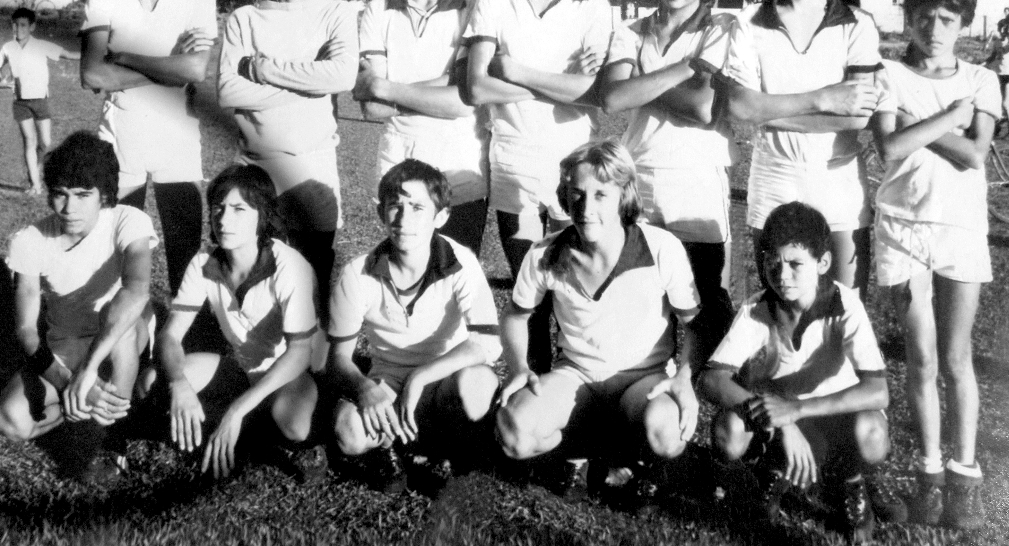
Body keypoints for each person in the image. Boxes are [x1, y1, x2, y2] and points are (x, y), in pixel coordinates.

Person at [496, 140, 701, 500]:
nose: (586, 208)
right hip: (578, 376)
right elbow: (515, 316)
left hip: (643, 379)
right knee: (513, 432)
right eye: (577, 194)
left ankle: (623, 456)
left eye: (600, 195)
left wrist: (683, 378)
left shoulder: (660, 247)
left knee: (667, 432)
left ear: (624, 194)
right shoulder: (545, 252)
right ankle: (585, 454)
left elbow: (696, 325)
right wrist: (516, 367)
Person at [870, 0, 998, 530]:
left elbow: (975, 156)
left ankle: (964, 476)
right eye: (924, 17)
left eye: (947, 18)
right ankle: (929, 477)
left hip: (960, 228)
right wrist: (946, 116)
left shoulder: (981, 79)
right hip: (901, 226)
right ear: (909, 19)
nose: (935, 28)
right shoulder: (888, 75)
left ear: (964, 22)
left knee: (955, 358)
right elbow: (890, 150)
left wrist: (920, 125)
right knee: (919, 360)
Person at [462, 0, 613, 372]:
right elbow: (479, 85)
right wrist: (562, 86)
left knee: (575, 295)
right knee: (531, 293)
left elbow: (598, 94)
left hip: (575, 169)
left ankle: (576, 401)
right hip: (514, 164)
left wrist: (519, 73)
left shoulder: (594, 5)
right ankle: (532, 390)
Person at [716, 0, 882, 299]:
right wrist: (825, 98)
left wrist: (768, 110)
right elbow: (740, 108)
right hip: (774, 173)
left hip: (838, 174)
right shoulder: (748, 23)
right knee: (778, 302)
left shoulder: (858, 24)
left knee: (844, 304)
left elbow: (858, 117)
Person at [700, 202, 894, 543]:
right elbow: (712, 379)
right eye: (772, 261)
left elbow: (878, 392)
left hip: (835, 415)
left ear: (823, 263)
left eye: (795, 264)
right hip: (780, 419)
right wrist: (783, 420)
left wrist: (799, 409)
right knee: (728, 432)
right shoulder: (757, 309)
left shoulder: (844, 305)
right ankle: (767, 475)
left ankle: (851, 480)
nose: (782, 274)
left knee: (873, 432)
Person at [600, 0, 735, 361]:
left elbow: (702, 107)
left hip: (696, 178)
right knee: (638, 291)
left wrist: (644, 78)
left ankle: (694, 388)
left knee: (701, 297)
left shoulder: (721, 27)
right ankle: (641, 388)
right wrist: (682, 69)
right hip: (638, 175)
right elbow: (615, 97)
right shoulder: (631, 30)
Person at [218, 0, 360, 317]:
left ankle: (312, 375)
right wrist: (308, 87)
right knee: (253, 292)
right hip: (253, 173)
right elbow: (228, 91)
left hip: (312, 171)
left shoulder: (337, 13)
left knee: (311, 292)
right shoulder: (244, 18)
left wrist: (263, 69)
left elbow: (341, 74)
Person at [328, 159, 500, 491]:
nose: (404, 220)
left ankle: (446, 450)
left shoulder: (461, 261)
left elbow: (488, 343)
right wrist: (366, 390)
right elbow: (338, 360)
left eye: (418, 207)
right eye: (395, 206)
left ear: (441, 216)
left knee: (477, 388)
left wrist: (421, 377)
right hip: (389, 376)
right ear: (381, 213)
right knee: (347, 432)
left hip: (444, 375)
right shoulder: (357, 271)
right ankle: (386, 447)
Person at [80, 0, 216, 296]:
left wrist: (124, 56)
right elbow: (92, 75)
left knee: (184, 257)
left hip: (178, 141)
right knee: (117, 254)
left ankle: (184, 349)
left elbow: (195, 68)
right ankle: (123, 349)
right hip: (119, 141)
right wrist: (167, 66)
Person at [151, 164, 326, 481]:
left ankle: (268, 431)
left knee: (296, 425)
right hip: (240, 366)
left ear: (262, 216)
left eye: (238, 209)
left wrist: (237, 410)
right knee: (159, 381)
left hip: (289, 372)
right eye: (218, 208)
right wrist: (178, 383)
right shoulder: (204, 261)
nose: (223, 219)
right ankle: (238, 426)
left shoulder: (289, 266)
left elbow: (299, 352)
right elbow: (170, 336)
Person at [0, 132, 156, 485]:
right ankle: (86, 408)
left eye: (83, 195)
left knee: (121, 322)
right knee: (11, 420)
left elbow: (136, 290)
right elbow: (26, 330)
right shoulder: (29, 239)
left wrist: (87, 372)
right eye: (60, 194)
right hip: (66, 344)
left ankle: (112, 439)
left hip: (121, 336)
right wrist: (69, 381)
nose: (69, 209)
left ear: (104, 196)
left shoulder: (127, 220)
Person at [353, 0, 489, 254]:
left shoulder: (477, 6)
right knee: (404, 279)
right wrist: (441, 89)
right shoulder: (378, 9)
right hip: (398, 170)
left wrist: (386, 87)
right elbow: (372, 109)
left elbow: (464, 100)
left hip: (461, 171)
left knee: (455, 281)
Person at [0, 7, 69, 194]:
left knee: (45, 142)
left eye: (23, 25)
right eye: (15, 24)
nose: (18, 28)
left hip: (40, 101)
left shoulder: (41, 45)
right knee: (29, 141)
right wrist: (3, 82)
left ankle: (36, 168)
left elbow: (68, 55)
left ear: (32, 27)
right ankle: (35, 184)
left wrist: (96, 56)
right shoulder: (7, 48)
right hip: (20, 103)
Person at [983, 27, 1009, 135]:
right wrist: (983, 64)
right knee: (995, 101)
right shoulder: (997, 42)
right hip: (998, 73)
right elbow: (993, 56)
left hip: (1008, 74)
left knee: (1006, 103)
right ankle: (996, 127)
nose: (1005, 34)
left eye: (1008, 32)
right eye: (1003, 31)